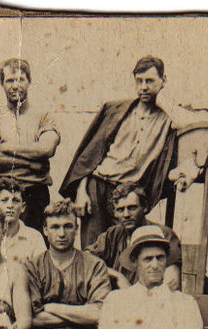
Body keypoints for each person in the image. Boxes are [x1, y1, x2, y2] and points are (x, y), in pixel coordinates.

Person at [60, 55, 186, 247]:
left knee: (126, 248)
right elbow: (91, 155)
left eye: (150, 81)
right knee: (93, 249)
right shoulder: (117, 110)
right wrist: (81, 191)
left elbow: (189, 124)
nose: (143, 87)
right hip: (97, 187)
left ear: (164, 80)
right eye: (139, 81)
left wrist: (164, 100)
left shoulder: (169, 118)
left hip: (129, 194)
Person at [26, 200, 112, 329]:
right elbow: (33, 318)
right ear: (45, 230)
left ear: (76, 228)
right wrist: (80, 313)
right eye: (55, 227)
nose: (62, 234)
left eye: (67, 226)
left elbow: (99, 313)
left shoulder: (94, 265)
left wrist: (52, 307)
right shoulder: (33, 267)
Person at [0, 58, 60, 229]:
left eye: (21, 79)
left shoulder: (44, 116)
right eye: (10, 80)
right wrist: (31, 161)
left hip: (34, 192)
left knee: (36, 246)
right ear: (2, 84)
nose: (16, 85)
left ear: (29, 81)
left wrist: (5, 148)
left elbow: (47, 148)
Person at [87, 182, 182, 289]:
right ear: (115, 213)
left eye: (132, 208)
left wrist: (172, 269)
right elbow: (87, 259)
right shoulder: (112, 234)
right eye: (120, 210)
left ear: (145, 207)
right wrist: (118, 276)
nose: (126, 215)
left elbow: (172, 272)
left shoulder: (162, 234)